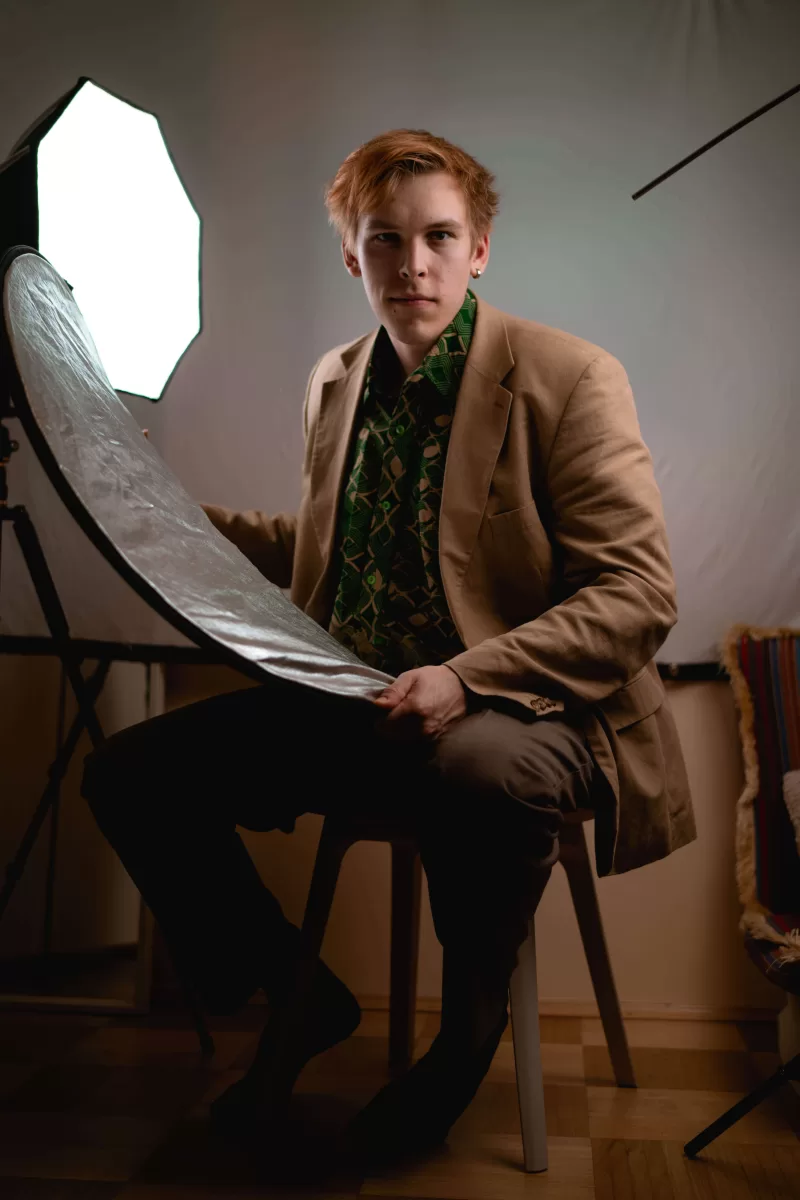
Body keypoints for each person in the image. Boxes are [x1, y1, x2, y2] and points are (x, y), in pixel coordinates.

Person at [82, 129, 695, 1162]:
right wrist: (160, 507)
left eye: (439, 237)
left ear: (480, 247)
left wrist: (464, 678)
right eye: (385, 240)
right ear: (351, 255)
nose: (413, 264)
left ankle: (463, 1040)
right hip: (358, 699)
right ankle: (297, 997)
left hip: (530, 710)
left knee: (473, 769)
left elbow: (638, 594)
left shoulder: (568, 376)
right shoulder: (335, 378)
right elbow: (316, 550)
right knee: (131, 773)